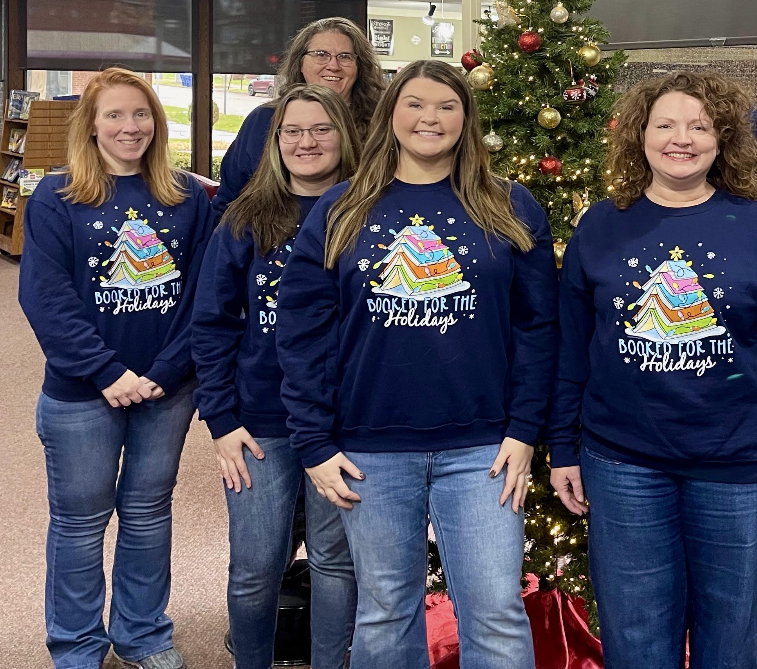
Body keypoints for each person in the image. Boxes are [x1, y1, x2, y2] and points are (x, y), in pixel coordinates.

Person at [548, 71, 757, 669]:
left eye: (699, 126)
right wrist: (563, 449)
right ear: (640, 135)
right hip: (623, 460)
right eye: (666, 124)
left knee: (729, 638)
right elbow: (571, 349)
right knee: (635, 636)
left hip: (740, 465)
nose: (681, 139)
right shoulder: (601, 225)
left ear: (723, 139)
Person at [276, 59, 558, 669]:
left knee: (495, 611)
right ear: (390, 115)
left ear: (466, 119)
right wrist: (314, 443)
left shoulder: (510, 206)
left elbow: (539, 329)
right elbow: (302, 338)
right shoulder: (341, 209)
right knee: (384, 612)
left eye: (446, 106)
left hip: (485, 448)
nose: (430, 117)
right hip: (369, 448)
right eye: (415, 104)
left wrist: (525, 430)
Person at [20, 68, 214, 669]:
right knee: (80, 524)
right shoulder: (56, 197)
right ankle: (76, 644)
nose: (129, 127)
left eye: (140, 114)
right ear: (92, 124)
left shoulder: (186, 197)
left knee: (149, 513)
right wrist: (106, 371)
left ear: (156, 121)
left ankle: (143, 634)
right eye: (114, 115)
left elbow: (204, 295)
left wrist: (165, 370)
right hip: (82, 393)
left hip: (166, 390)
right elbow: (45, 297)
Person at [191, 84, 362, 669]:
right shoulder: (245, 219)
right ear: (275, 141)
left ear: (345, 135)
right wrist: (220, 420)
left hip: (347, 422)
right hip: (258, 422)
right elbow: (211, 325)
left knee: (336, 564)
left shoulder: (364, 213)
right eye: (292, 131)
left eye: (321, 129)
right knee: (255, 567)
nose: (306, 141)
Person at [213, 16, 384, 216]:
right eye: (321, 54)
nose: (333, 65)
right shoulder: (263, 120)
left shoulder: (381, 126)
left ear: (360, 67)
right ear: (300, 63)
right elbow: (229, 199)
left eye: (345, 56)